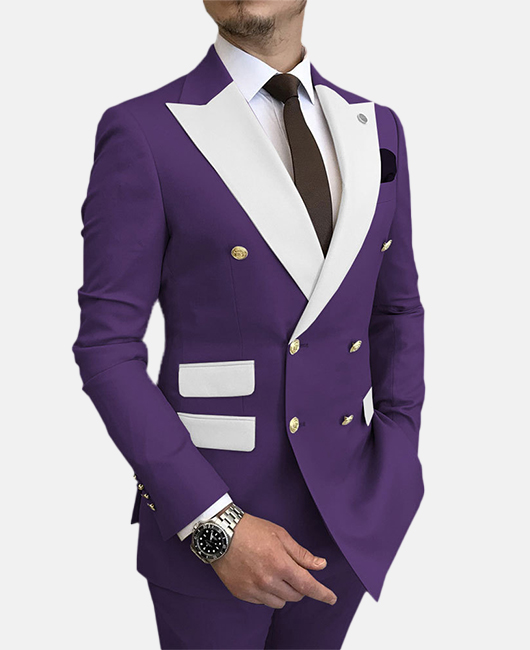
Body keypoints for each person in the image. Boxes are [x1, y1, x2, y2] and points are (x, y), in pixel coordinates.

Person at [73, 1, 426, 648]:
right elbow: (107, 348)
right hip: (209, 523)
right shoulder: (145, 131)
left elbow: (396, 309)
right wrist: (215, 527)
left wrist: (398, 461)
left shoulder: (378, 127)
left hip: (349, 520)